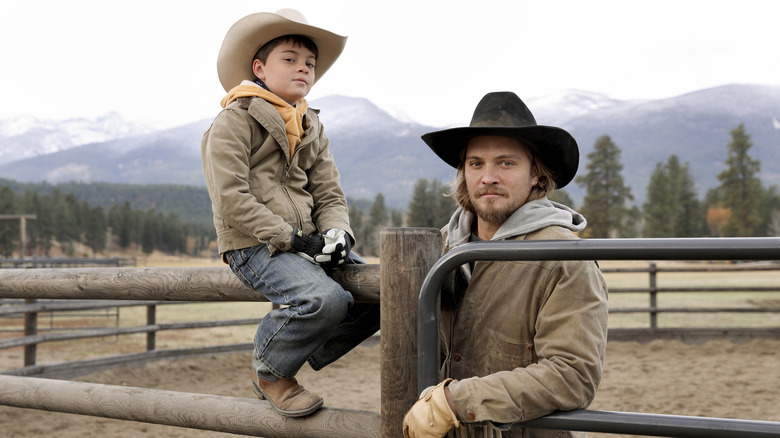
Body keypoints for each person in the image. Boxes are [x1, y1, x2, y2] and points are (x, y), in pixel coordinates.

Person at [201, 9, 380, 418]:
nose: (303, 68)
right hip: (255, 243)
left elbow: (329, 193)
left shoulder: (311, 126)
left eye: (310, 63)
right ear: (259, 67)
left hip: (307, 242)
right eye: (290, 59)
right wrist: (295, 240)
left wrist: (338, 235)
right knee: (324, 299)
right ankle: (271, 370)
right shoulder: (234, 120)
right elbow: (230, 197)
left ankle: (300, 345)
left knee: (381, 295)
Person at [403, 92, 609, 437]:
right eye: (476, 163)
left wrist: (455, 400)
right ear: (464, 173)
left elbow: (573, 375)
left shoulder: (563, 258)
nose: (488, 177)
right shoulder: (437, 247)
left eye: (506, 163)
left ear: (536, 176)